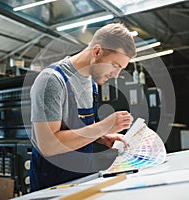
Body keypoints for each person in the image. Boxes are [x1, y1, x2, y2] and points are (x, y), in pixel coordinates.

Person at [29, 23, 137, 192]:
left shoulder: (91, 82)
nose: (115, 75)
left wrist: (102, 136)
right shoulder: (52, 81)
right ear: (97, 51)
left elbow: (80, 128)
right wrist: (103, 126)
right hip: (53, 185)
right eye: (115, 65)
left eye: (121, 69)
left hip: (84, 178)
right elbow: (48, 145)